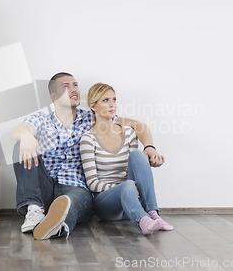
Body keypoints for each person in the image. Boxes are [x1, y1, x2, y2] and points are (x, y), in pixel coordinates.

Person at [13, 72, 165, 240]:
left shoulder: (91, 119)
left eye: (75, 85)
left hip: (75, 186)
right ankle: (34, 209)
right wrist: (27, 136)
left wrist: (149, 147)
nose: (73, 90)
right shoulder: (42, 119)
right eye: (66, 86)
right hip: (43, 184)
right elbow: (21, 129)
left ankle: (57, 227)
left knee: (72, 204)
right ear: (53, 95)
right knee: (18, 146)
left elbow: (138, 126)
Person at [80, 83, 173, 235]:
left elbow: (135, 167)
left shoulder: (129, 133)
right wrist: (122, 187)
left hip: (132, 197)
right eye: (105, 100)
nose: (112, 105)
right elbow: (92, 183)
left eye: (114, 99)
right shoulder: (88, 139)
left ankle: (153, 214)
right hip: (107, 205)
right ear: (93, 107)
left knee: (138, 155)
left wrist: (151, 158)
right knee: (128, 184)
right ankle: (143, 221)